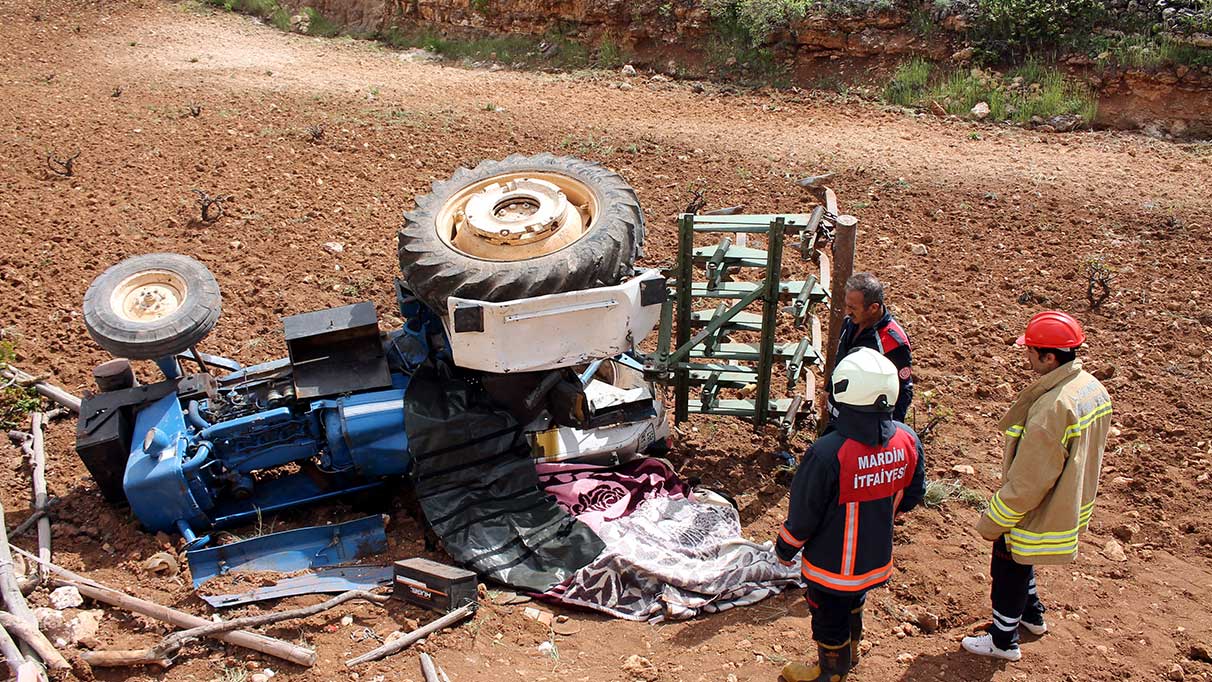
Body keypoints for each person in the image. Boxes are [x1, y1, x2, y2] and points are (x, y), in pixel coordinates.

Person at [961, 310, 1112, 662]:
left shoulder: (1052, 408)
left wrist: (994, 520)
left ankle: (1003, 640)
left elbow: (1030, 482)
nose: (1026, 356)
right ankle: (1032, 617)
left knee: (1008, 563)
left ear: (1050, 356)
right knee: (1024, 557)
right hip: (1067, 500)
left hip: (1038, 504)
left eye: (1030, 351)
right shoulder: (1090, 387)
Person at [775, 348, 926, 682]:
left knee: (828, 615)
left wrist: (785, 547)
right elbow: (914, 494)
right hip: (875, 558)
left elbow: (804, 514)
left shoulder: (827, 453)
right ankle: (852, 649)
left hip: (831, 568)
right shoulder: (907, 439)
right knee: (855, 600)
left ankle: (831, 671)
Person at [827, 273, 913, 426]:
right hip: (837, 418)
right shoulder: (850, 323)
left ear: (874, 307)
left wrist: (890, 431)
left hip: (863, 428)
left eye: (853, 307)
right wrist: (828, 390)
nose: (847, 311)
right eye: (846, 305)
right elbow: (841, 358)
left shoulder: (893, 342)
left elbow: (903, 390)